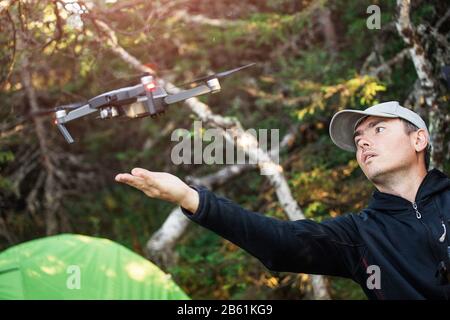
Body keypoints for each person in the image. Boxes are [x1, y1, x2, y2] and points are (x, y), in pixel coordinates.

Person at [115, 101, 450, 300]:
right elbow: (281, 244)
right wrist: (190, 197)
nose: (363, 144)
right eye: (358, 139)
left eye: (378, 130)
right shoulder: (359, 236)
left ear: (419, 139)